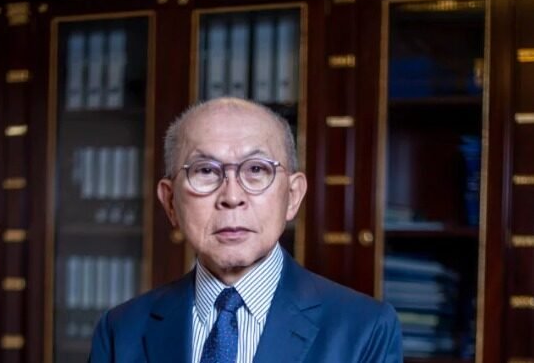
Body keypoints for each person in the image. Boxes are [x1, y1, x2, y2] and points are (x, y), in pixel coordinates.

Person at [89, 97, 403, 363]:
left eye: (256, 169)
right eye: (205, 170)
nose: (232, 196)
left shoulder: (366, 329)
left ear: (292, 196)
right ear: (170, 201)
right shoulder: (120, 331)